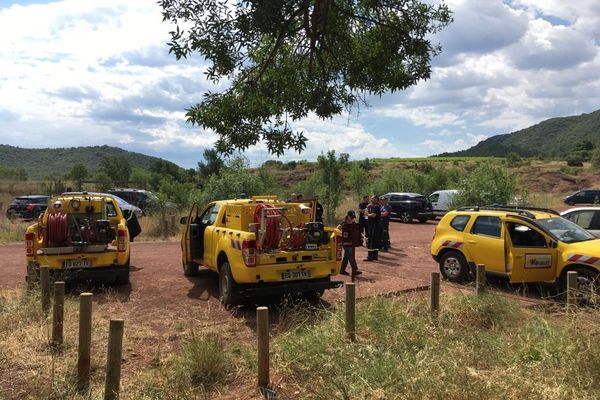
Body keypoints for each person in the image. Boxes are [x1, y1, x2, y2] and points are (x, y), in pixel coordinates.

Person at [337, 210, 362, 277]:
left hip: (351, 241)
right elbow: (337, 229)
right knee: (351, 255)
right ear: (348, 216)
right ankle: (355, 270)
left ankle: (342, 270)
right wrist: (341, 234)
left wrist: (362, 236)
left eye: (353, 217)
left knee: (346, 256)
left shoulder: (353, 222)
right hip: (345, 242)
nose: (352, 218)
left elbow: (356, 230)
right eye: (351, 217)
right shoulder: (344, 222)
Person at [365, 195, 382, 261]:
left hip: (374, 226)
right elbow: (366, 211)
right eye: (371, 198)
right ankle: (375, 255)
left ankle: (370, 256)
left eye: (373, 198)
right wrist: (367, 212)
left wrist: (367, 214)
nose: (371, 199)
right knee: (374, 240)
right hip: (371, 225)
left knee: (372, 241)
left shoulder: (376, 206)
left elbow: (373, 215)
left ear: (377, 200)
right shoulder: (370, 206)